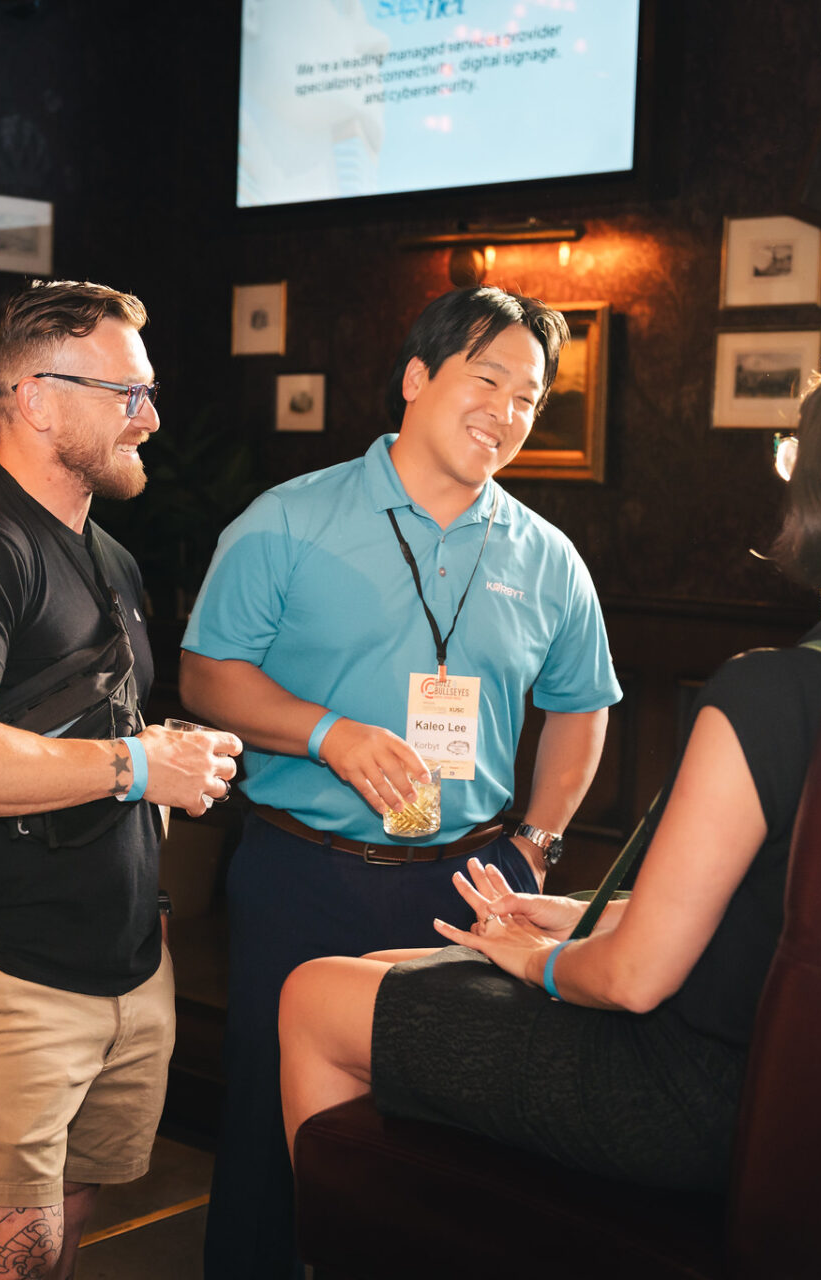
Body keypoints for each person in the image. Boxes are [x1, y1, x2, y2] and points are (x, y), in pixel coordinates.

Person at [277, 334, 821, 1193]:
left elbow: (634, 982)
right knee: (390, 969)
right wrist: (588, 915)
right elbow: (807, 913)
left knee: (314, 994)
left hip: (691, 1094)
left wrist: (530, 958)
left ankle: (367, 1239)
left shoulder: (773, 692)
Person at [181, 285, 622, 1279]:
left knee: (437, 1151)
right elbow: (208, 676)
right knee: (269, 1136)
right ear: (417, 377)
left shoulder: (548, 557)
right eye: (487, 379)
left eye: (529, 398)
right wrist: (327, 734)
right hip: (304, 874)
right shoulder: (289, 519)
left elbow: (582, 706)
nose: (506, 412)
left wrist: (537, 842)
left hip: (468, 888)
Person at [0, 280, 240, 1280]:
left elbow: (85, 730)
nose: (151, 417)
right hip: (11, 977)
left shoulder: (109, 556)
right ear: (36, 399)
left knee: (66, 1232)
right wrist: (139, 764)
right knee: (12, 1253)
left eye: (148, 391)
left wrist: (150, 879)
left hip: (125, 963)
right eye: (127, 393)